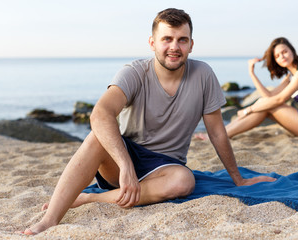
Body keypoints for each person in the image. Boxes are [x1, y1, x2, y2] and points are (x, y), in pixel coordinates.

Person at [21, 8, 276, 235]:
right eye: (167, 39)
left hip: (166, 166)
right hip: (123, 158)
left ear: (191, 44)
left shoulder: (204, 75)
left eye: (181, 40)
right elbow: (99, 113)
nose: (174, 46)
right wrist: (126, 166)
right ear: (153, 43)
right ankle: (50, 219)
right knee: (97, 136)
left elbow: (218, 133)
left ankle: (90, 199)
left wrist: (238, 179)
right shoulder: (134, 72)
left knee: (184, 182)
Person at [222, 37, 298, 139]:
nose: (282, 57)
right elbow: (269, 96)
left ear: (292, 51)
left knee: (268, 106)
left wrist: (248, 110)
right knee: (265, 103)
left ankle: (223, 135)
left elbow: (280, 99)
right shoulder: (290, 77)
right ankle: (222, 133)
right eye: (277, 56)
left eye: (284, 52)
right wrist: (252, 73)